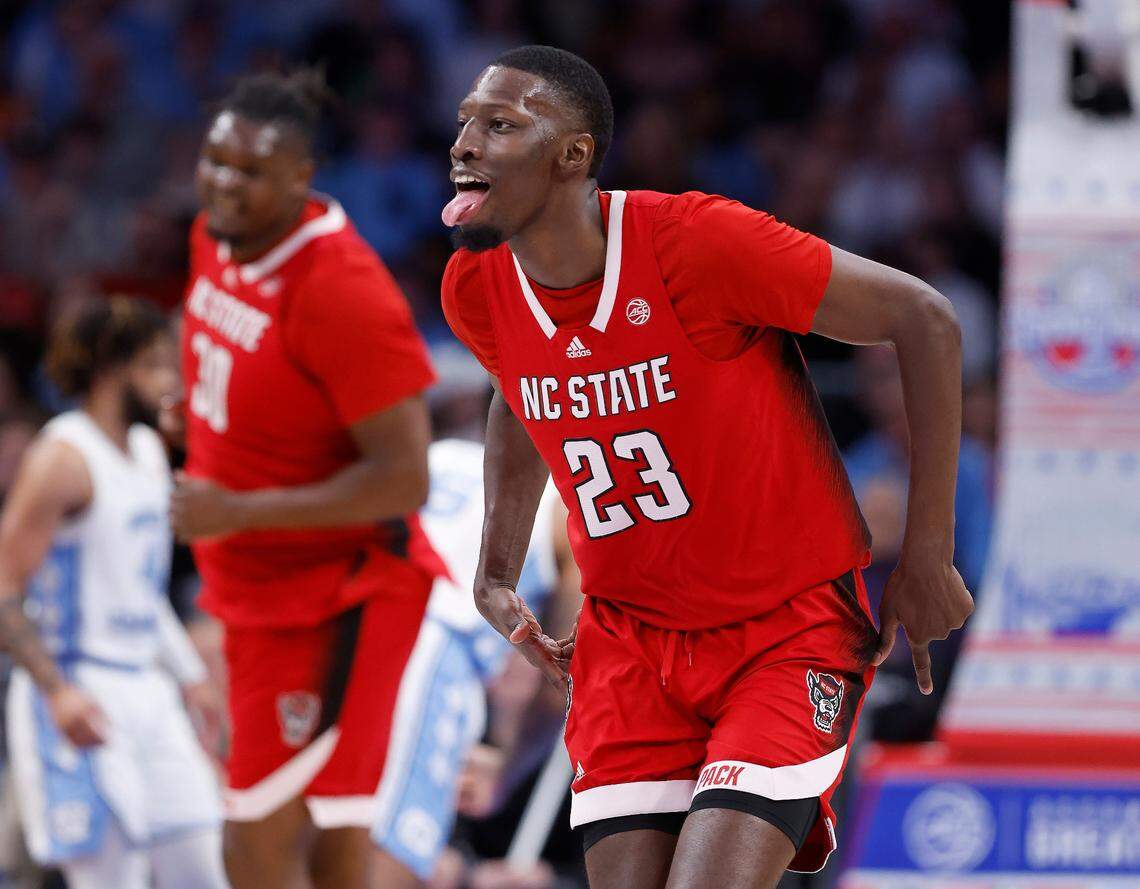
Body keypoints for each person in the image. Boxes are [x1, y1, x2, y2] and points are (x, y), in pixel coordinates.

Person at [439, 45, 974, 889]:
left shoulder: (696, 242)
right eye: (467, 120)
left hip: (783, 627)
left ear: (573, 155)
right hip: (627, 641)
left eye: (499, 124)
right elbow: (518, 387)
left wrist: (930, 555)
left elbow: (926, 318)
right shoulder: (474, 287)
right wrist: (496, 565)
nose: (465, 141)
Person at [171, 70, 442, 889]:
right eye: (215, 161)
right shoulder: (215, 235)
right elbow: (218, 338)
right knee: (331, 828)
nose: (224, 182)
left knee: (253, 836)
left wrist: (237, 508)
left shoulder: (343, 291)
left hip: (336, 596)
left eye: (249, 171)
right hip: (253, 585)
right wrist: (187, 397)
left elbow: (406, 478)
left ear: (302, 176)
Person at [0, 297, 227, 889]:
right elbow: (3, 585)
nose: (170, 382)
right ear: (109, 369)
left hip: (146, 689)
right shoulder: (62, 458)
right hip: (79, 685)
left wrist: (189, 676)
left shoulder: (149, 451)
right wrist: (56, 692)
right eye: (155, 366)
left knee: (204, 868)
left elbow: (140, 589)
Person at [370, 435, 574, 887]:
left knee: (323, 848)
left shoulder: (439, 455)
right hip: (427, 657)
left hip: (349, 637)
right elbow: (561, 679)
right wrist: (508, 768)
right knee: (390, 862)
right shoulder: (571, 509)